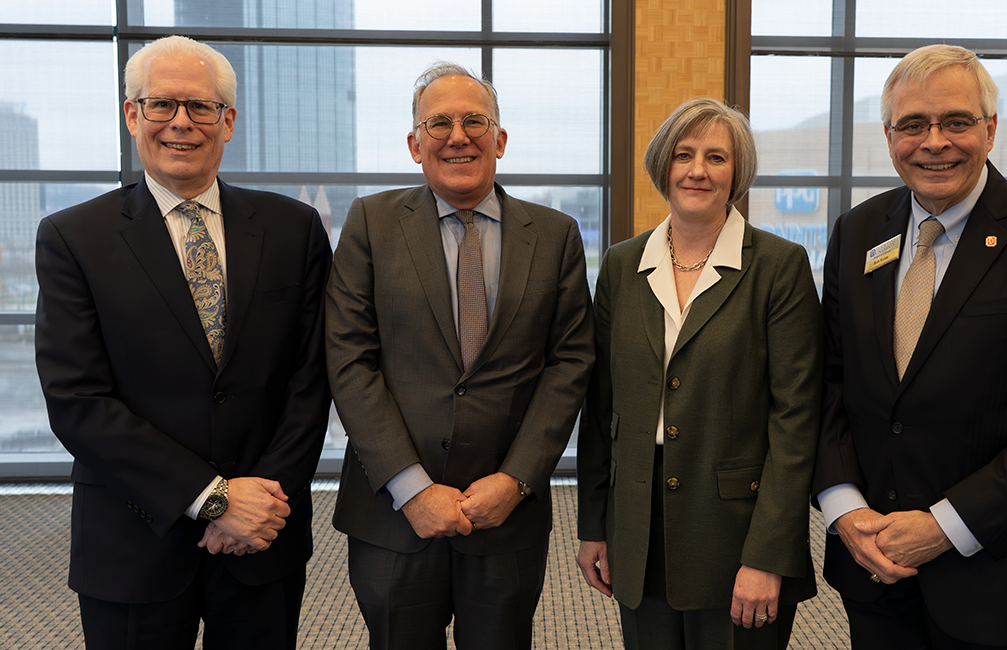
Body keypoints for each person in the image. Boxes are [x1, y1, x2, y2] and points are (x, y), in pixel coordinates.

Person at [813, 44, 1007, 649]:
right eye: (913, 124)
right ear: (888, 136)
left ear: (990, 128)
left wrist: (944, 526)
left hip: (998, 574)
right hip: (875, 567)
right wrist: (844, 508)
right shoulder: (856, 232)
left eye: (956, 121)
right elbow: (828, 380)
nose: (934, 142)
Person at [34, 35, 332, 650]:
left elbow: (312, 379)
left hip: (263, 540)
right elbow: (77, 399)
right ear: (131, 115)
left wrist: (262, 500)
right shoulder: (73, 237)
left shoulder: (293, 229)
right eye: (161, 105)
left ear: (227, 122)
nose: (180, 123)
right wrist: (213, 500)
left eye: (200, 108)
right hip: (133, 540)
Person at [325, 61, 595, 650]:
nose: (458, 135)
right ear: (414, 144)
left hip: (507, 515)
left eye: (475, 121)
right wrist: (411, 488)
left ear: (499, 139)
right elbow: (349, 359)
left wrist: (518, 479)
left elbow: (569, 364)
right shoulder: (370, 222)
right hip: (393, 516)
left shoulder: (555, 234)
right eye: (439, 122)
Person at [575, 97, 822, 650]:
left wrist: (767, 556)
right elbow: (601, 407)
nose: (697, 170)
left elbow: (796, 421)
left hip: (736, 531)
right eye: (684, 154)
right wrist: (595, 523)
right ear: (663, 164)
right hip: (639, 524)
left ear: (738, 173)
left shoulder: (779, 267)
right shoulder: (621, 264)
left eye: (716, 157)